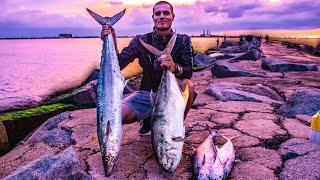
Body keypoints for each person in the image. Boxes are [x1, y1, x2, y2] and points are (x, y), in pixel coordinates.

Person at [101, 1, 195, 135]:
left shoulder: (183, 40)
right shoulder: (140, 41)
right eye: (158, 13)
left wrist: (174, 67)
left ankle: (176, 127)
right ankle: (148, 123)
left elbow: (188, 71)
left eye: (166, 13)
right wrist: (111, 39)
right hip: (147, 95)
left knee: (188, 85)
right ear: (153, 18)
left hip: (172, 94)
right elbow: (119, 64)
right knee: (114, 117)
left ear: (172, 16)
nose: (162, 16)